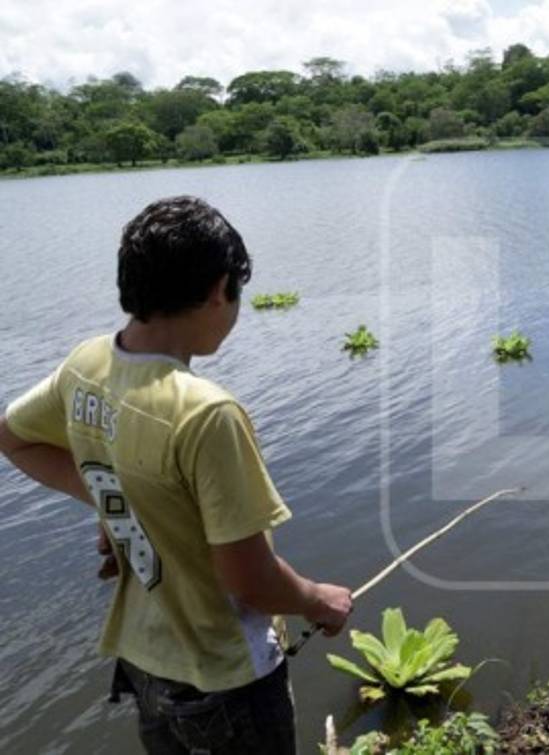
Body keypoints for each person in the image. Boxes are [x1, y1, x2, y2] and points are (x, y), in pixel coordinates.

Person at [0, 196, 353, 754]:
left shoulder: (87, 364)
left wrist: (113, 504)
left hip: (144, 666)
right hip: (224, 681)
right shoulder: (207, 413)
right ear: (219, 290)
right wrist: (318, 600)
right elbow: (249, 579)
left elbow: (13, 437)